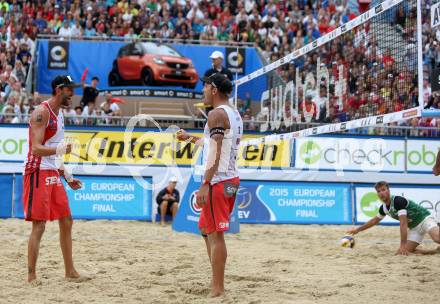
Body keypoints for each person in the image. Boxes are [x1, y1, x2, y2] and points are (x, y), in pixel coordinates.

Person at [176, 73, 243, 297]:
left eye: (205, 87)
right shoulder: (234, 114)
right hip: (230, 180)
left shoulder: (216, 114)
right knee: (206, 230)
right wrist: (190, 138)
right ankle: (216, 282)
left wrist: (205, 183)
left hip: (218, 181)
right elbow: (213, 143)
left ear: (214, 89)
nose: (202, 91)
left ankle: (218, 289)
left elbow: (214, 151)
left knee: (215, 235)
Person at [23, 75, 83, 283]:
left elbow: (55, 154)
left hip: (51, 171)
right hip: (37, 171)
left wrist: (67, 176)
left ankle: (70, 271)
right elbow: (36, 148)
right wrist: (58, 149)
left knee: (67, 220)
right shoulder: (42, 112)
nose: (73, 94)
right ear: (59, 89)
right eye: (69, 90)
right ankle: (31, 276)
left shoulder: (60, 115)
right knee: (39, 225)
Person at [347, 181, 440, 255]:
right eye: (378, 191)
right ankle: (435, 251)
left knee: (437, 238)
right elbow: (373, 221)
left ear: (388, 190)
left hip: (424, 219)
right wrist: (357, 230)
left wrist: (402, 245)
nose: (381, 193)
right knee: (405, 252)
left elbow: (403, 224)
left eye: (383, 190)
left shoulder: (397, 201)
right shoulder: (383, 208)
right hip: (414, 228)